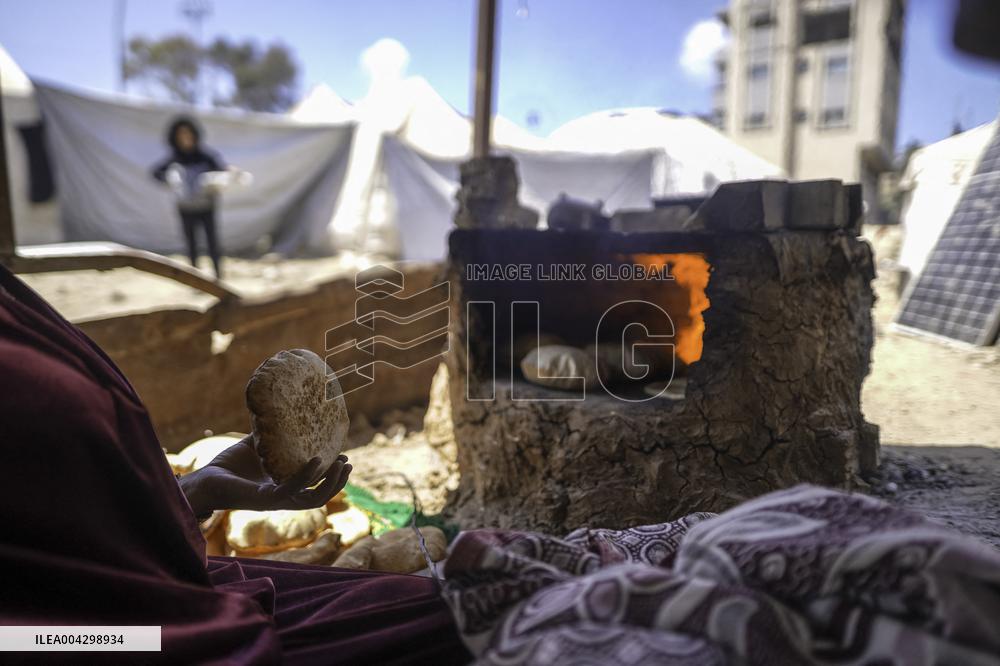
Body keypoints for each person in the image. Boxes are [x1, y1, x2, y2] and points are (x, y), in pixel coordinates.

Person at [0, 264, 471, 665]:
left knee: (460, 596)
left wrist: (197, 492)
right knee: (472, 618)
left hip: (176, 583)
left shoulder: (14, 302)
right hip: (118, 635)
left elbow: (71, 519)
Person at [151, 117, 228, 279]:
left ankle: (219, 277)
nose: (185, 138)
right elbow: (155, 172)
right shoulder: (175, 159)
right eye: (181, 135)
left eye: (188, 134)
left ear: (195, 135)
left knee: (212, 241)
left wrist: (218, 180)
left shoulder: (206, 156)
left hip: (207, 205)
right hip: (185, 207)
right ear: (175, 138)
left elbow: (222, 169)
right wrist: (168, 179)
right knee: (191, 243)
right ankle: (196, 278)